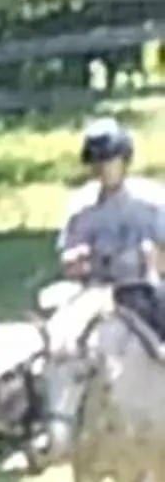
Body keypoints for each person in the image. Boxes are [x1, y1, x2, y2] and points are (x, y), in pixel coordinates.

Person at [57, 116, 165, 343]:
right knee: (60, 316)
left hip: (143, 288)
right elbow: (68, 255)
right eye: (96, 161)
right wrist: (76, 259)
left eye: (109, 160)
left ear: (125, 160)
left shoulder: (153, 202)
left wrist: (155, 257)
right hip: (94, 290)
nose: (102, 168)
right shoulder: (81, 206)